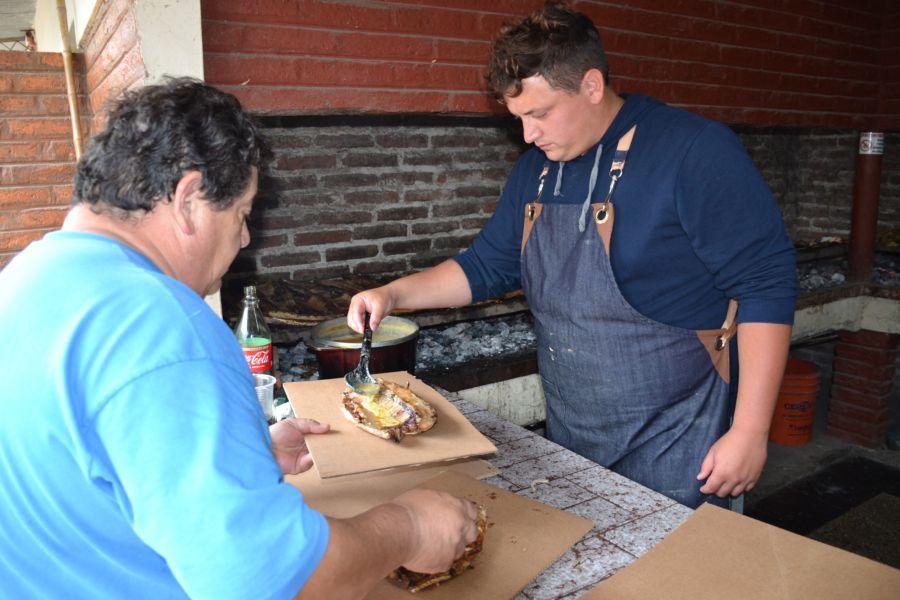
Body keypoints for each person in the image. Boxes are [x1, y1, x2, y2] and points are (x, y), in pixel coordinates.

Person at [0, 77, 477, 598]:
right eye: (243, 213)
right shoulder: (164, 326)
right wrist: (409, 526)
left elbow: (84, 471)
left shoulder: (24, 279)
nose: (245, 237)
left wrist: (234, 455)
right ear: (187, 201)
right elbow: (276, 583)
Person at [348, 3, 796, 509]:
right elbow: (487, 266)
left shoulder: (693, 151)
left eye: (539, 114)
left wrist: (750, 430)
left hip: (681, 440)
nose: (528, 135)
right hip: (575, 435)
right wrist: (394, 294)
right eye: (517, 118)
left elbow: (766, 285)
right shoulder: (536, 171)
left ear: (591, 86)